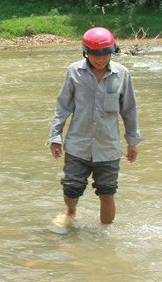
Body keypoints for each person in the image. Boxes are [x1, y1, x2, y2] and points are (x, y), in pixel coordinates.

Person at [47, 27, 142, 228]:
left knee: (107, 192)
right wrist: (55, 137)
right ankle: (70, 211)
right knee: (71, 188)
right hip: (77, 145)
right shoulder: (74, 72)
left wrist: (132, 142)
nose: (100, 59)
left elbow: (129, 110)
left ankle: (105, 234)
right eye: (95, 55)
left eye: (105, 54)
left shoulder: (122, 74)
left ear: (112, 52)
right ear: (86, 53)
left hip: (108, 148)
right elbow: (63, 106)